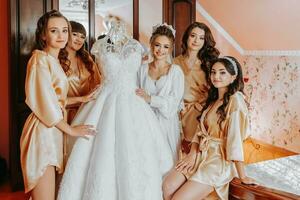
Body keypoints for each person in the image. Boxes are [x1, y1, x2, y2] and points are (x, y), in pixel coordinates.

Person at [57, 21, 173, 200]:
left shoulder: (136, 47)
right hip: (104, 101)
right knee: (98, 148)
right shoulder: (99, 47)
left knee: (138, 148)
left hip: (133, 101)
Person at [20, 10, 96, 200]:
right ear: (43, 35)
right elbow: (45, 103)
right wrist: (71, 130)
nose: (61, 36)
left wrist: (80, 99)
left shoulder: (53, 60)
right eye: (54, 31)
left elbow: (54, 98)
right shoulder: (39, 59)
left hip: (53, 132)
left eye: (65, 30)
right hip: (42, 134)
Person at [162, 56, 256, 200]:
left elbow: (234, 140)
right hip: (200, 154)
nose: (216, 76)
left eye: (222, 72)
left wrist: (242, 176)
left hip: (217, 162)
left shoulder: (235, 100)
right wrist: (192, 154)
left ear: (233, 77)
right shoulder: (213, 99)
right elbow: (199, 132)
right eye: (213, 72)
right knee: (167, 186)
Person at [136, 23, 184, 162]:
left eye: (166, 46)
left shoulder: (176, 72)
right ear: (151, 44)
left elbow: (174, 103)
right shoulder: (142, 69)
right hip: (145, 123)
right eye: (157, 45)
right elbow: (135, 95)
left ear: (170, 49)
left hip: (167, 125)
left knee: (166, 164)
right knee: (146, 161)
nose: (161, 50)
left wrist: (150, 99)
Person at [173, 22, 219, 157]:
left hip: (200, 111)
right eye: (193, 36)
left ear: (205, 42)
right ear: (187, 37)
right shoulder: (175, 62)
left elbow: (217, 89)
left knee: (194, 153)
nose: (196, 41)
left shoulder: (209, 63)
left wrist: (202, 106)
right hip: (178, 110)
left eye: (201, 38)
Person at [60, 21, 101, 159]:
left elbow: (98, 84)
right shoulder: (56, 60)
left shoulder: (87, 59)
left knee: (82, 154)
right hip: (63, 114)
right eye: (75, 34)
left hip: (85, 111)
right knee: (64, 153)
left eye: (82, 36)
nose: (79, 39)